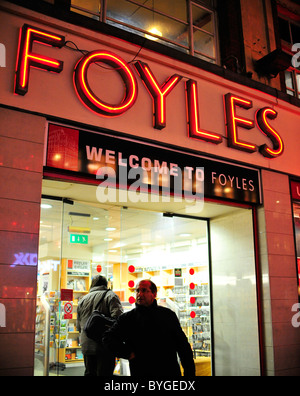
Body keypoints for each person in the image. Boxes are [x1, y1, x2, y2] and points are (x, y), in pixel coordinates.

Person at [102, 279, 195, 377]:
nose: (139, 294)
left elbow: (183, 346)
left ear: (154, 294)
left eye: (144, 290)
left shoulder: (167, 316)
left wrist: (189, 372)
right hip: (141, 371)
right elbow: (108, 338)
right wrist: (127, 353)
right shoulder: (128, 319)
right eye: (137, 291)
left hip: (168, 371)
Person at [77, 275, 123, 376]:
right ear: (105, 284)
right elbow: (119, 320)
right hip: (104, 345)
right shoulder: (111, 296)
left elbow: (79, 326)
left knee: (89, 373)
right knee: (105, 373)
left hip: (87, 344)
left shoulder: (83, 299)